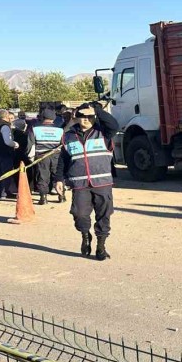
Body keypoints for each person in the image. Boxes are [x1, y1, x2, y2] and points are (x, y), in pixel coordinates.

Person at [60, 103, 119, 260]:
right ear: (76, 118)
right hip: (80, 184)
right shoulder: (68, 136)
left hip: (102, 183)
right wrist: (58, 179)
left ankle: (101, 245)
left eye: (89, 117)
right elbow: (63, 160)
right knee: (79, 214)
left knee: (104, 214)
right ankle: (86, 235)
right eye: (82, 116)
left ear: (95, 117)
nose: (85, 119)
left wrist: (97, 110)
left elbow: (114, 124)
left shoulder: (104, 133)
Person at [31, 107, 66, 205]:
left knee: (42, 176)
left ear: (42, 117)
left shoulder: (35, 129)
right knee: (58, 175)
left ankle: (43, 198)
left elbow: (31, 146)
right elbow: (63, 144)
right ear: (54, 118)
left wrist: (31, 159)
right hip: (56, 156)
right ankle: (61, 196)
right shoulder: (60, 130)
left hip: (41, 156)